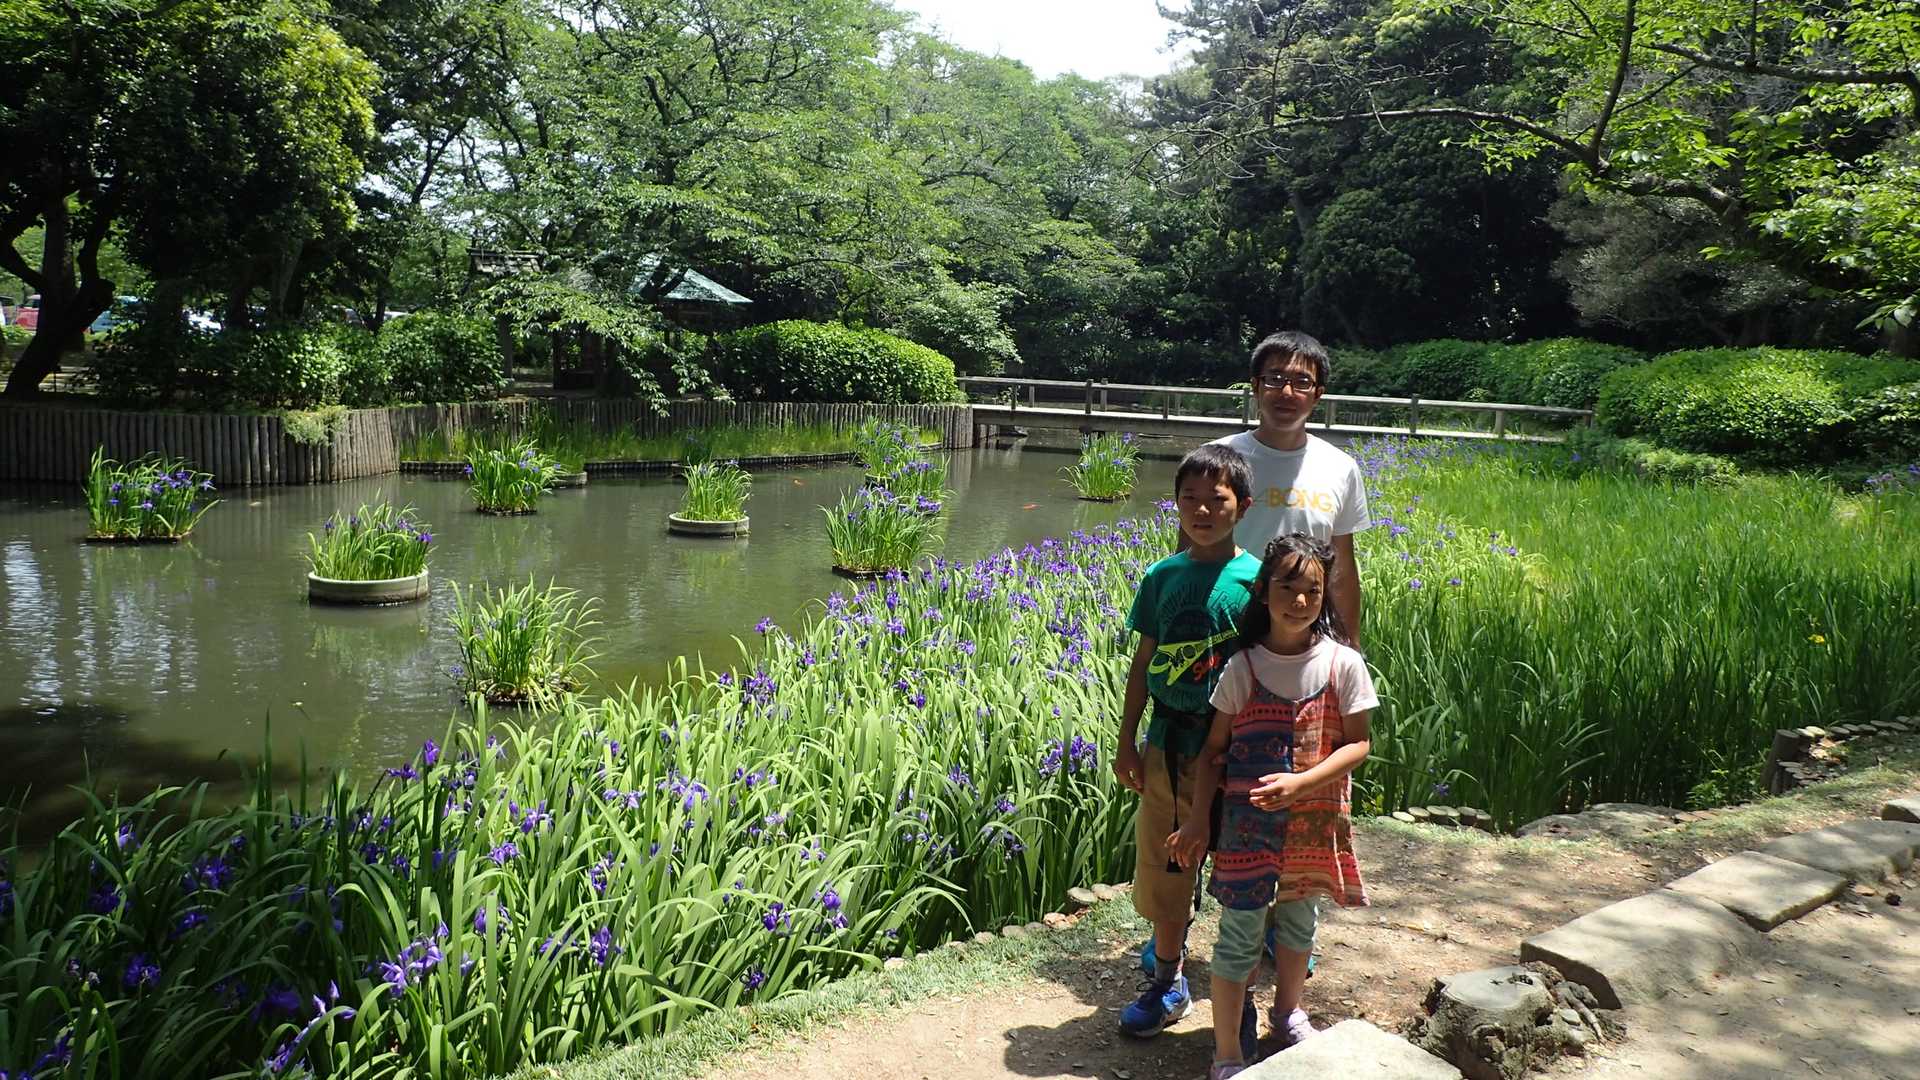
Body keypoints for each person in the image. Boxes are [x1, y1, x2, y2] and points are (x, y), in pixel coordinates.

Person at [1169, 534, 1375, 1078]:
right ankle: (1227, 1055)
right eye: (1287, 587)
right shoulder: (1243, 667)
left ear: (1325, 596)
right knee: (1238, 939)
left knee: (1299, 927)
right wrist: (1197, 820)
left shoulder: (1343, 664)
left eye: (1313, 590)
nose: (1300, 601)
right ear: (1263, 592)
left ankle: (1287, 1015)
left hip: (1313, 824)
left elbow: (1358, 743)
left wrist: (1301, 783)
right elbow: (1214, 753)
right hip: (1246, 832)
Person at [1111, 443, 1261, 1039]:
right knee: (1168, 863)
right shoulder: (1161, 577)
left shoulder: (1259, 581)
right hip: (1168, 744)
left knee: (1243, 871)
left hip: (1238, 751)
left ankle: (1240, 993)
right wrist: (1128, 741)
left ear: (1243, 506)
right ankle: (1168, 979)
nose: (1201, 510)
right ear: (1174, 505)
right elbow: (1143, 663)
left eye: (1216, 499)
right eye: (1189, 498)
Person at [1210, 331, 1371, 644]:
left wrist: (1351, 647)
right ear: (1255, 386)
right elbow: (1188, 554)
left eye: (1301, 382)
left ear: (1318, 394)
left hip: (1303, 635)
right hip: (1223, 629)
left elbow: (1342, 572)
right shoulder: (1217, 459)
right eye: (1274, 379)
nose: (1286, 391)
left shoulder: (1341, 468)